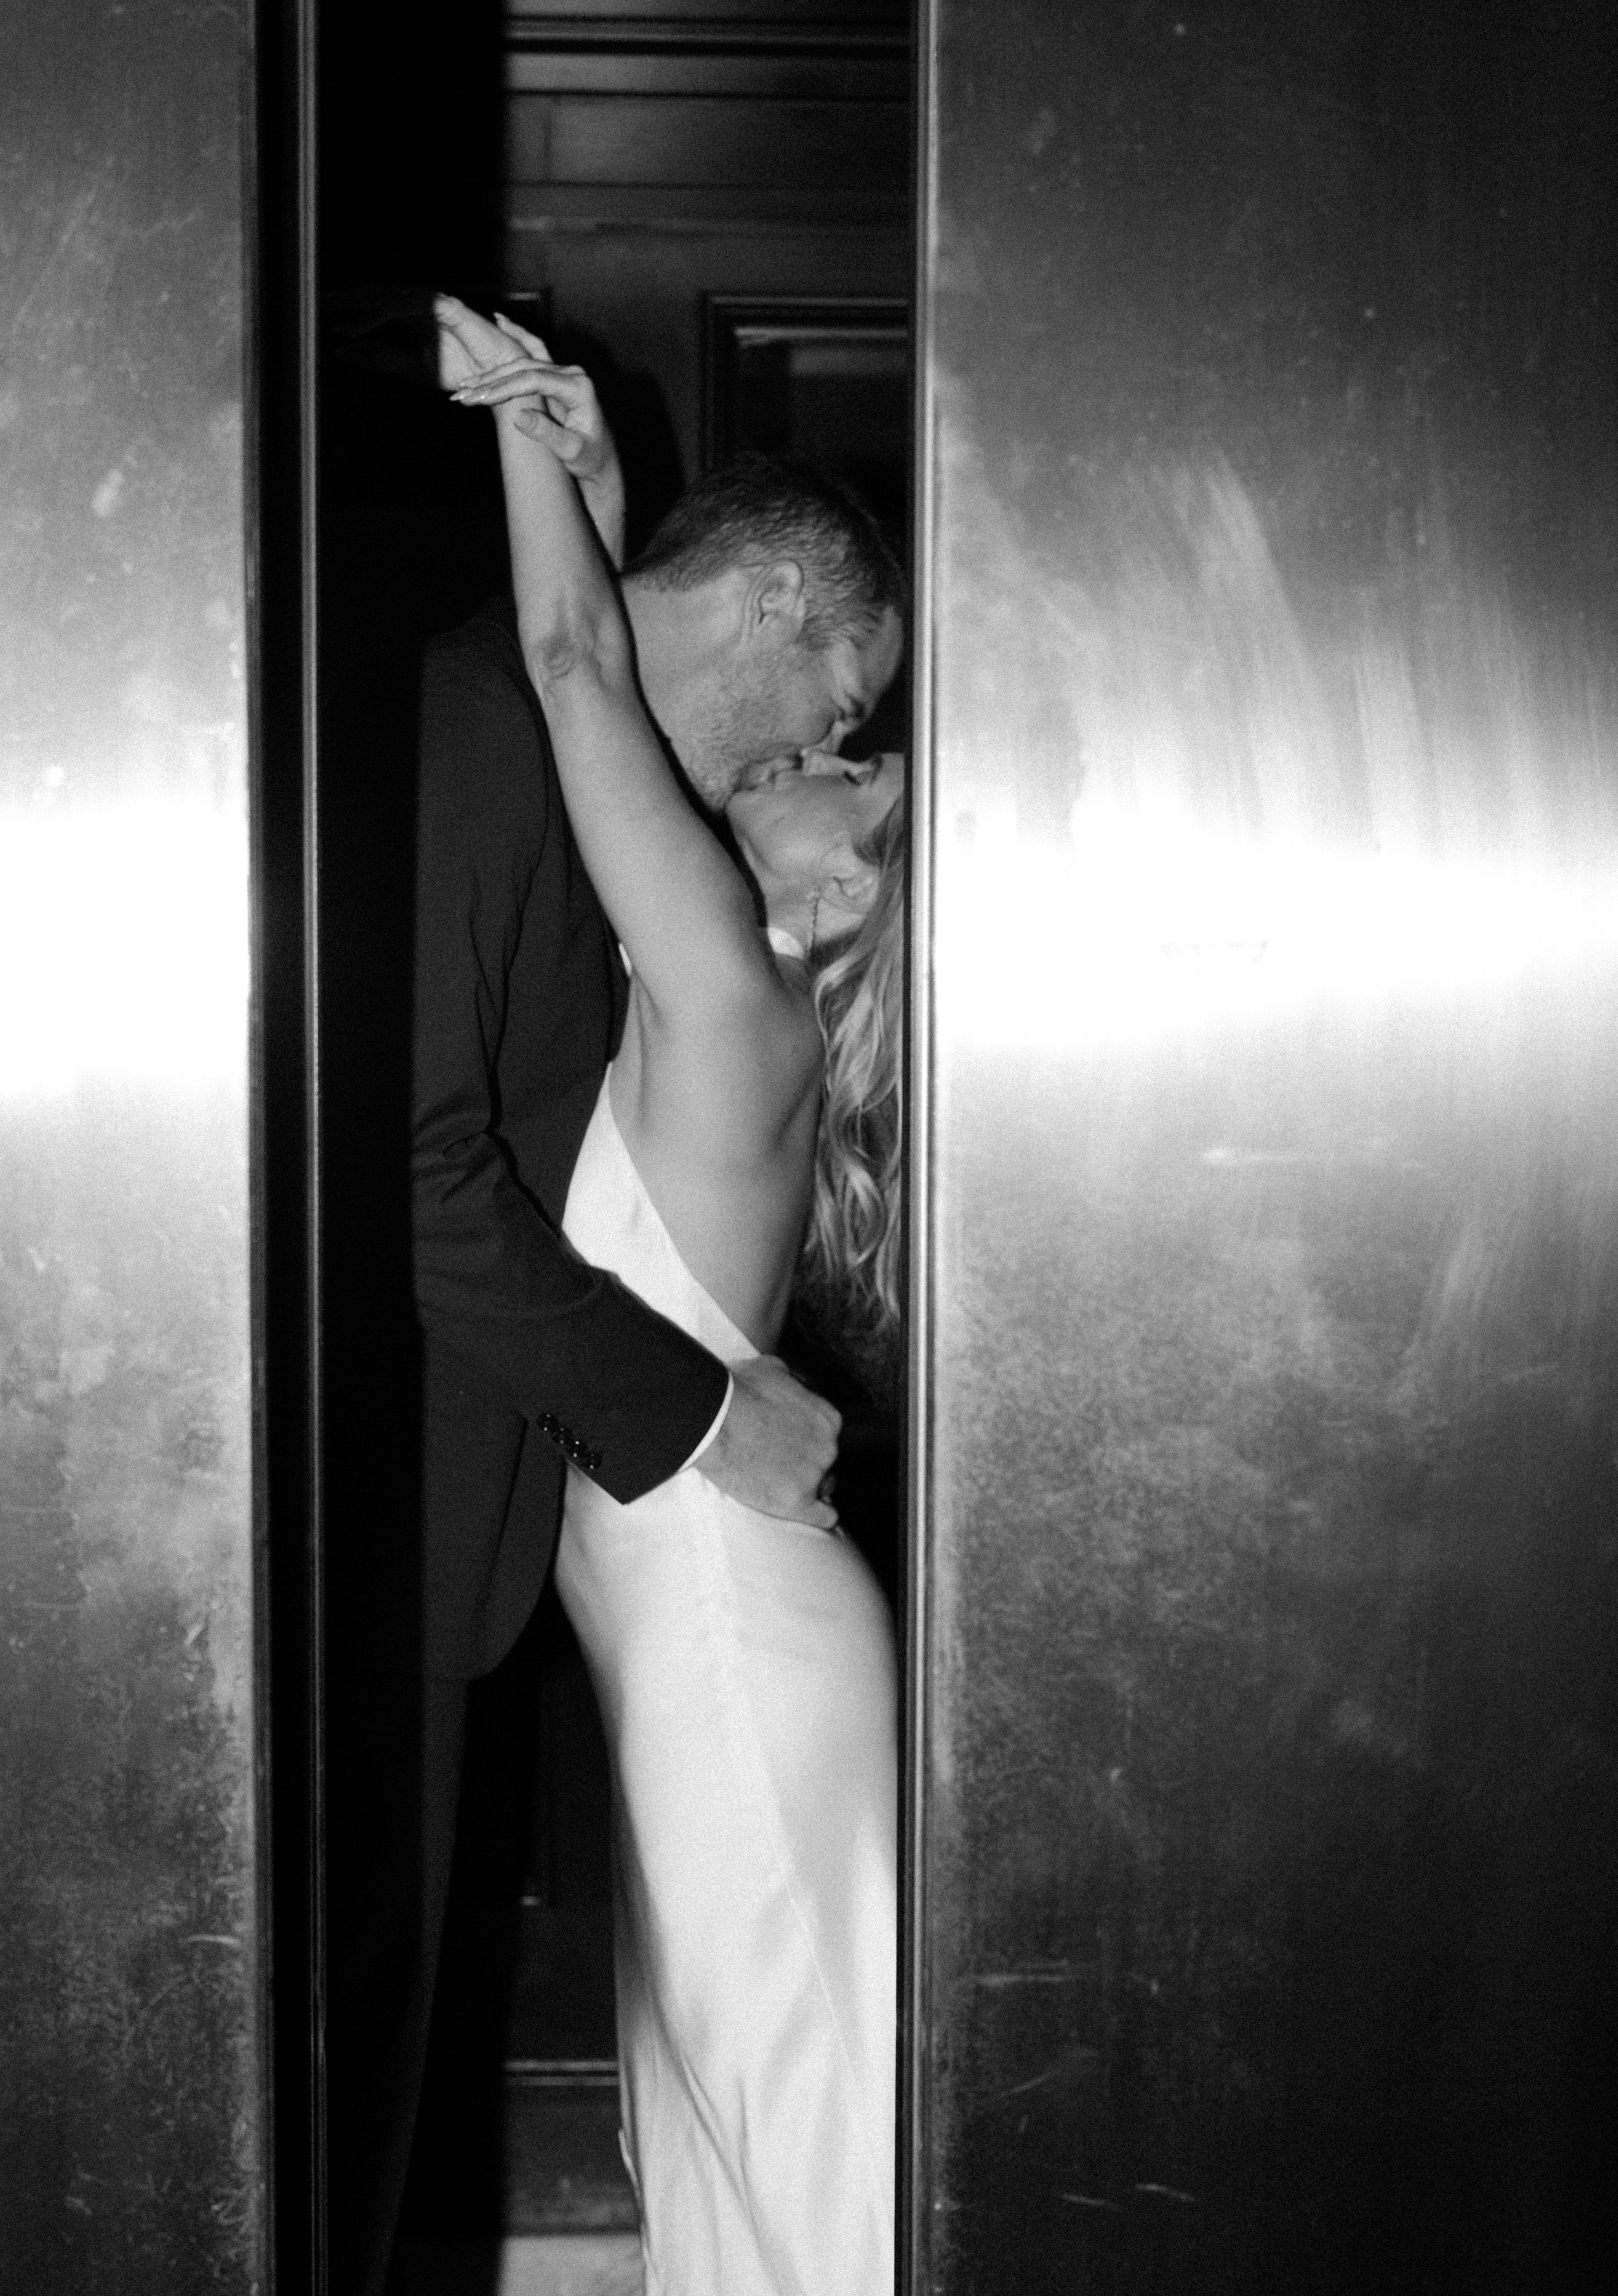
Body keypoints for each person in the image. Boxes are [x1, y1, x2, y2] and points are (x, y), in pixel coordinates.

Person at [326, 309, 905, 2296]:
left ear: (848, 902)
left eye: (851, 771)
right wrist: (581, 496)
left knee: (799, 2115)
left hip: (690, 1616)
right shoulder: (509, 743)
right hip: (541, 1573)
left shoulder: (726, 967)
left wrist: (556, 489)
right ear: (768, 601)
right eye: (838, 704)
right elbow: (411, 1163)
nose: (813, 755)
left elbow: (596, 662)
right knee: (725, 2124)